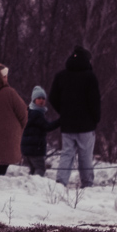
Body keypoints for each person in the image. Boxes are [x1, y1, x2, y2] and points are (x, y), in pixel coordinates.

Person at [48, 45, 101, 187]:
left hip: (67, 125)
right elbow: (95, 101)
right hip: (86, 126)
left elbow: (52, 97)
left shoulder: (61, 76)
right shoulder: (90, 77)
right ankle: (87, 184)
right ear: (87, 60)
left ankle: (60, 183)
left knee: (66, 154)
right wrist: (95, 119)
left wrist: (64, 112)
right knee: (85, 156)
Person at [23, 86, 59, 176]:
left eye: (43, 98)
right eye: (39, 98)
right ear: (34, 100)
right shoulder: (37, 114)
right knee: (40, 169)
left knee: (33, 170)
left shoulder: (29, 111)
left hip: (28, 148)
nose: (41, 100)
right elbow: (47, 126)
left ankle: (30, 184)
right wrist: (60, 121)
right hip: (35, 148)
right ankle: (35, 184)